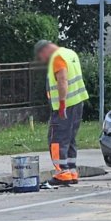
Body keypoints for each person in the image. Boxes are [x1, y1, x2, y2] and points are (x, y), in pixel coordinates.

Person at [34, 40, 89, 186]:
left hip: (65, 106)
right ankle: (71, 171)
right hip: (77, 103)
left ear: (45, 50)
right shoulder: (69, 53)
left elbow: (62, 79)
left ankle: (62, 173)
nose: (43, 59)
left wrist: (62, 103)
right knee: (70, 138)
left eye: (41, 56)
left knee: (57, 140)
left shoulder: (57, 57)